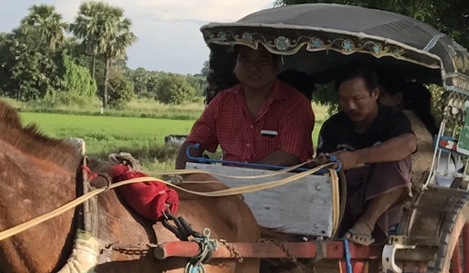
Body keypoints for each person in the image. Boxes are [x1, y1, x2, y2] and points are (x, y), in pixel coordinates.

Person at [317, 66, 418, 243]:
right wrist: (323, 163)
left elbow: (408, 144)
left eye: (358, 99)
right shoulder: (332, 126)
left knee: (398, 160)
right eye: (343, 100)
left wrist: (356, 157)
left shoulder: (393, 119)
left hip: (384, 203)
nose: (350, 106)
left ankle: (367, 223)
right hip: (343, 199)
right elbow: (320, 163)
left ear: (375, 93)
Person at [177, 46, 315, 168]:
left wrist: (241, 178)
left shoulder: (296, 104)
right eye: (245, 60)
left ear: (276, 66)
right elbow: (194, 143)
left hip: (282, 189)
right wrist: (181, 181)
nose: (253, 68)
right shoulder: (223, 101)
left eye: (262, 61)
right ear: (235, 66)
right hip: (227, 189)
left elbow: (289, 155)